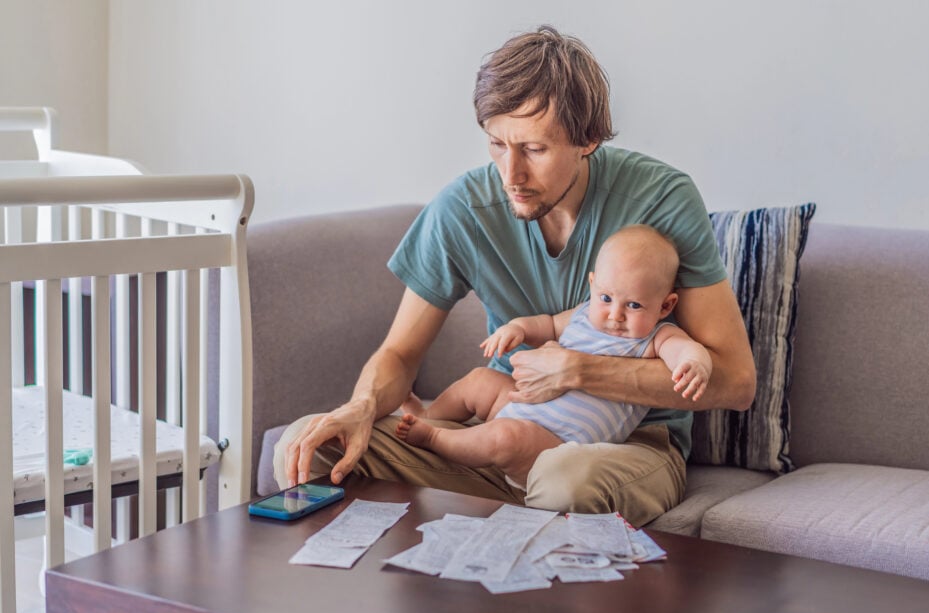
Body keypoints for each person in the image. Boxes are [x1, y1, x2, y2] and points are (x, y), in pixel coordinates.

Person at [275, 25, 755, 526]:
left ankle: (506, 539)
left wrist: (579, 370)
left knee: (565, 478)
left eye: (535, 149)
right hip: (502, 429)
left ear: (588, 139)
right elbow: (399, 353)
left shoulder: (662, 199)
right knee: (311, 444)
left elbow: (735, 383)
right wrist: (362, 406)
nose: (511, 175)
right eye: (497, 145)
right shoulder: (463, 209)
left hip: (625, 446)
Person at [394, 224, 713, 488]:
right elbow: (546, 324)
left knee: (506, 437)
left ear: (666, 306)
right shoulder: (584, 314)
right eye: (606, 297)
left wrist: (694, 363)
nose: (615, 315)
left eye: (633, 305)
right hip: (520, 404)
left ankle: (434, 438)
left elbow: (684, 349)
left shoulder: (654, 338)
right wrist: (517, 329)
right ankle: (429, 417)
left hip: (554, 445)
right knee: (480, 381)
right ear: (592, 285)